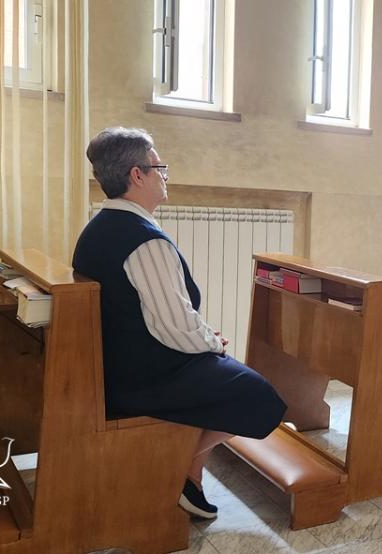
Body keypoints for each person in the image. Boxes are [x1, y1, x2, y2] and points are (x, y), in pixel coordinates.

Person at [72, 127, 286, 520]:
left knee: (220, 368)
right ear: (137, 175)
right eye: (159, 168)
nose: (165, 176)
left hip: (120, 364)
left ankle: (191, 476)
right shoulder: (144, 240)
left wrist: (203, 339)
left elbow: (164, 318)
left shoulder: (98, 228)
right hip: (146, 378)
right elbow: (176, 328)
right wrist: (212, 342)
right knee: (262, 398)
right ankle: (176, 467)